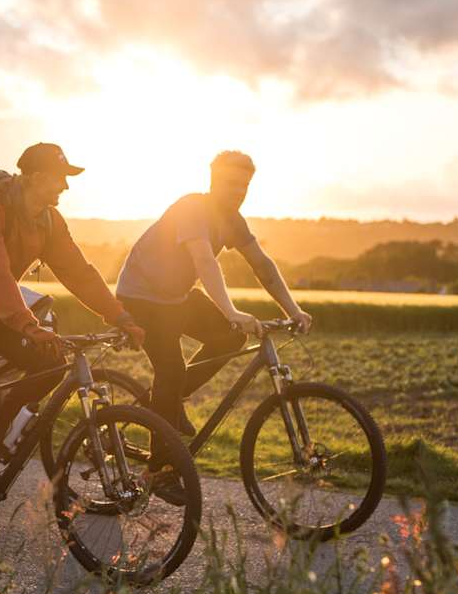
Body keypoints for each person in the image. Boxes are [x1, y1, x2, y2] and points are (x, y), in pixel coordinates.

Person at [0, 142, 146, 541]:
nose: (65, 187)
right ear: (37, 177)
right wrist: (28, 325)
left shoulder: (48, 220)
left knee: (52, 363)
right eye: (61, 178)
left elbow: (78, 271)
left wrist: (120, 316)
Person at [115, 150, 312, 481]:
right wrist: (232, 310)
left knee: (230, 337)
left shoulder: (233, 220)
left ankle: (168, 401)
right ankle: (160, 469)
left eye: (245, 186)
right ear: (212, 179)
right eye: (231, 183)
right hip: (141, 297)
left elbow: (262, 265)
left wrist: (293, 310)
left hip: (175, 297)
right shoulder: (193, 207)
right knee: (172, 368)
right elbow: (205, 262)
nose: (238, 192)